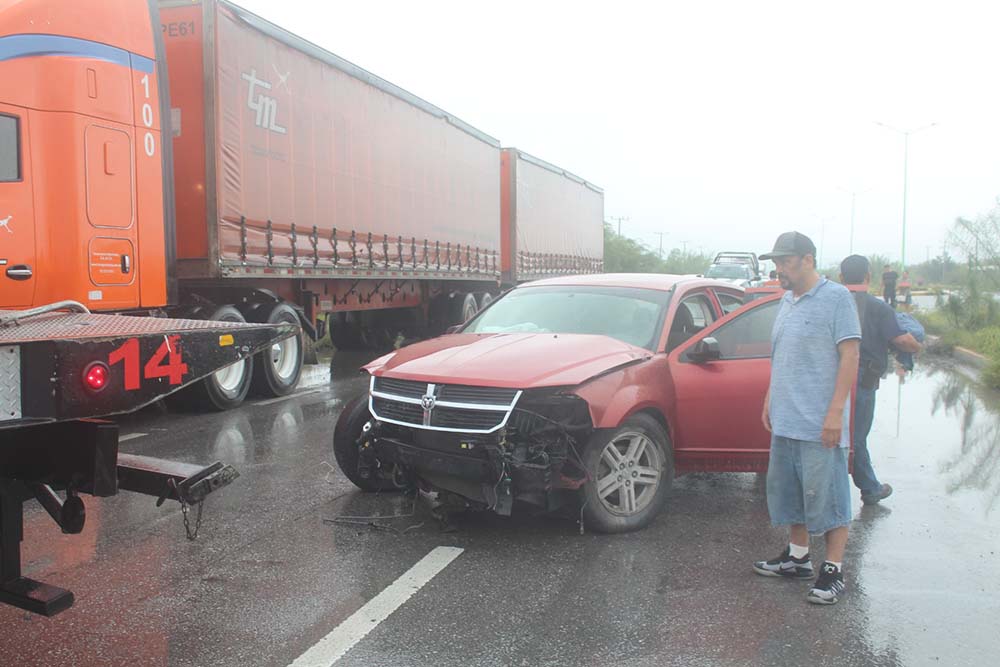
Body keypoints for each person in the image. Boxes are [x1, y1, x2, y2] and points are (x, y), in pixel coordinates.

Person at [753, 231, 861, 606]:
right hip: (786, 419)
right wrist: (770, 395)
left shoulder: (837, 298)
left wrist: (835, 412)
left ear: (808, 259)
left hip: (820, 423)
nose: (779, 268)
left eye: (785, 261)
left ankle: (833, 570)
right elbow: (782, 353)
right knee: (791, 494)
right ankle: (797, 557)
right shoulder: (787, 300)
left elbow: (850, 356)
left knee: (828, 497)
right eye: (776, 262)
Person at [840, 255, 922, 505]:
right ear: (868, 277)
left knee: (842, 433)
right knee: (857, 435)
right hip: (863, 380)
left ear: (841, 278)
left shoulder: (832, 304)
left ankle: (864, 486)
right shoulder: (877, 307)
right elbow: (903, 340)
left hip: (832, 377)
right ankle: (870, 488)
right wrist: (917, 346)